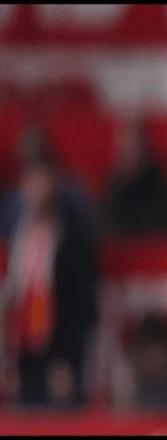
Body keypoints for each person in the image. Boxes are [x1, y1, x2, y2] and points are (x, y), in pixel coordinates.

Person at [0, 131, 98, 408]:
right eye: (31, 180)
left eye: (42, 179)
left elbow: (82, 302)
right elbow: (14, 293)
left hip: (59, 355)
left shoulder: (73, 237)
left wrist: (65, 359)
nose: (37, 188)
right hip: (25, 352)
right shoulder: (19, 234)